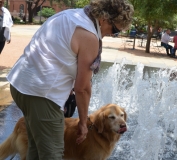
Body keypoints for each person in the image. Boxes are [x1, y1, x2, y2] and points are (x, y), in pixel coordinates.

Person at [7, 0, 134, 159]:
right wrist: (83, 122)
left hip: (20, 84)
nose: (112, 34)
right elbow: (82, 88)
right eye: (115, 29)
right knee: (52, 154)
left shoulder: (70, 15)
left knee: (37, 150)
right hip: (42, 94)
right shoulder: (89, 36)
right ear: (104, 18)